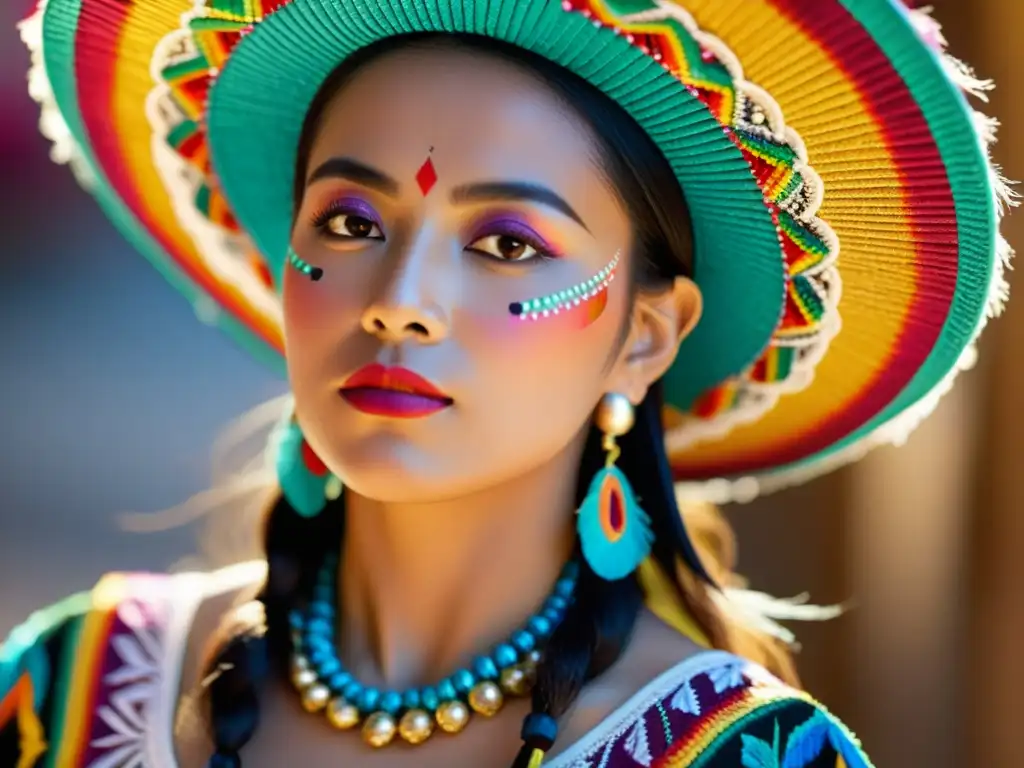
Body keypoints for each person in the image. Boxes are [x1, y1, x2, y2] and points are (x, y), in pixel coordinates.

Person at [3, 0, 1012, 765]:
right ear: (281, 267)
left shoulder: (743, 756)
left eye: (505, 242)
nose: (400, 301)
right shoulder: (70, 693)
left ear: (646, 335)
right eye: (351, 223)